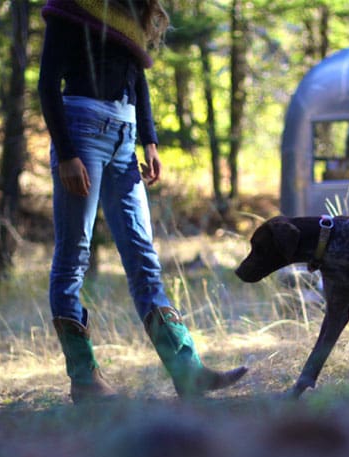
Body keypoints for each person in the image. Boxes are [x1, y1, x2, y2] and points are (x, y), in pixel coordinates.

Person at [38, 0, 246, 402]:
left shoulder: (131, 10)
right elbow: (47, 83)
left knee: (143, 257)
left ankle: (187, 372)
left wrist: (148, 138)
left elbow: (137, 77)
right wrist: (65, 153)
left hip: (123, 136)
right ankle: (85, 379)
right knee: (73, 255)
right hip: (81, 131)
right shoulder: (71, 6)